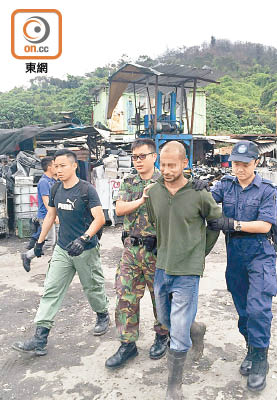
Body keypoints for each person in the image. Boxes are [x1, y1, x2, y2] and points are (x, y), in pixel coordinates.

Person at [12, 149, 109, 356]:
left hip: (85, 250)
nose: (58, 170)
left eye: (63, 165)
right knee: (51, 290)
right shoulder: (56, 189)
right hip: (63, 250)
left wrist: (84, 239)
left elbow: (99, 219)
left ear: (74, 166)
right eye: (56, 166)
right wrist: (38, 244)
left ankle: (102, 314)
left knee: (93, 288)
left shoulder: (86, 190)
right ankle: (40, 339)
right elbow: (50, 216)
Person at [146, 141, 222, 400]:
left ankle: (173, 388)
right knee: (166, 321)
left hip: (187, 271)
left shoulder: (199, 193)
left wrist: (199, 253)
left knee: (177, 332)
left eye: (172, 165)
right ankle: (196, 328)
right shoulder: (154, 192)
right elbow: (156, 222)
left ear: (184, 164)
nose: (166, 170)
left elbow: (214, 223)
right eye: (163, 165)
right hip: (162, 265)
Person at [207, 140, 277, 392]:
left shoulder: (267, 189)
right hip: (235, 255)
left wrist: (232, 224)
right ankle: (252, 348)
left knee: (259, 308)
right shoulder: (226, 185)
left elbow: (265, 225)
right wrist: (196, 189)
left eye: (245, 164)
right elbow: (206, 201)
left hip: (259, 253)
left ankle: (261, 360)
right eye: (236, 163)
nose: (239, 169)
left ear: (256, 163)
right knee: (244, 310)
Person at [105, 138, 169, 369]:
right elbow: (119, 209)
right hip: (131, 250)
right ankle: (127, 343)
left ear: (154, 157)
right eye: (135, 157)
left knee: (159, 296)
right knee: (125, 295)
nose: (138, 161)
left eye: (142, 156)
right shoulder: (130, 181)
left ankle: (163, 335)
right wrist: (142, 199)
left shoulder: (164, 181)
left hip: (157, 250)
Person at [21, 156, 57, 272]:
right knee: (49, 242)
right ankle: (28, 255)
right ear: (49, 167)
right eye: (55, 165)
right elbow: (47, 203)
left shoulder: (52, 180)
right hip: (46, 216)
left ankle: (57, 264)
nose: (57, 168)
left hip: (53, 215)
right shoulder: (44, 182)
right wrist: (54, 216)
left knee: (57, 241)